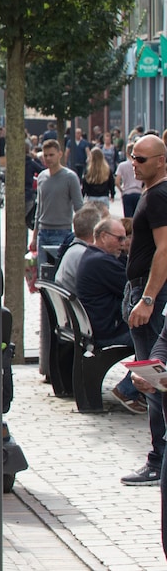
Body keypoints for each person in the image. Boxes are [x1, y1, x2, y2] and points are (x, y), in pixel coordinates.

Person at [121, 134, 167, 487]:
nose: (134, 164)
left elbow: (164, 249)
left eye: (141, 159)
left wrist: (148, 298)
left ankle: (159, 459)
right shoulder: (152, 195)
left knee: (153, 379)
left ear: (161, 161)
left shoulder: (160, 196)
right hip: (142, 291)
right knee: (150, 378)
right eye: (132, 157)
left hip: (150, 296)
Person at [74, 219, 144, 412]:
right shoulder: (101, 262)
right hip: (107, 331)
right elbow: (131, 286)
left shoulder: (94, 256)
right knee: (152, 336)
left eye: (126, 238)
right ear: (103, 237)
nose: (123, 243)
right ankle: (129, 389)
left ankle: (138, 389)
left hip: (96, 327)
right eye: (120, 238)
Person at [31, 140, 84, 268]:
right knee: (42, 273)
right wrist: (34, 235)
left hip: (62, 232)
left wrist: (81, 234)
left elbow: (79, 208)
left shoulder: (70, 177)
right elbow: (39, 207)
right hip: (43, 232)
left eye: (51, 155)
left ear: (60, 154)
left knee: (57, 271)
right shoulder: (42, 177)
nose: (48, 158)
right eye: (45, 155)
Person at [52, 205, 106, 294]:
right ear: (96, 231)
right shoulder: (86, 255)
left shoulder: (74, 249)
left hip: (69, 301)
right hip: (77, 303)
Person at [116, 150, 144, 218]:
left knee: (128, 218)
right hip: (138, 192)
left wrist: (122, 190)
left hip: (127, 193)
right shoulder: (141, 165)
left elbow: (117, 182)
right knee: (138, 217)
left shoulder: (122, 165)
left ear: (127, 153)